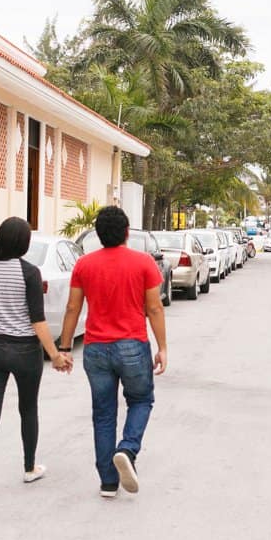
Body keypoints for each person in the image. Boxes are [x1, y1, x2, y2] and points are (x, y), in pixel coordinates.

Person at [59, 206, 167, 498]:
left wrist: (65, 347)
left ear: (98, 235)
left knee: (103, 413)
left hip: (95, 349)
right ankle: (127, 450)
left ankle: (108, 482)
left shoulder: (84, 265)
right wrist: (163, 347)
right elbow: (154, 308)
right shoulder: (143, 263)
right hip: (132, 345)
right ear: (127, 233)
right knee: (141, 399)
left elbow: (73, 307)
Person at [0, 217, 73, 505]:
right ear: (24, 243)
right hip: (24, 351)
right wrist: (54, 354)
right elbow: (37, 320)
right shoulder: (29, 272)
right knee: (28, 409)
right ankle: (29, 468)